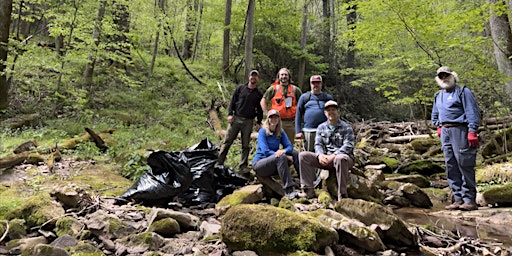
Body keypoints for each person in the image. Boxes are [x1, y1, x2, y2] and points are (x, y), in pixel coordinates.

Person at [431, 66, 480, 211]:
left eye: (446, 75)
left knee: (464, 162)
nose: (444, 78)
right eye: (441, 76)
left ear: (453, 76)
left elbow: (472, 111)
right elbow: (435, 114)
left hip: (460, 129)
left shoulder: (463, 91)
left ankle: (469, 199)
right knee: (450, 164)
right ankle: (458, 198)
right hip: (445, 131)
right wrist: (438, 126)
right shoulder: (438, 95)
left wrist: (472, 130)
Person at [298, 100, 355, 201]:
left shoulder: (346, 127)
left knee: (340, 158)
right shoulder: (321, 127)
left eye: (333, 110)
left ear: (338, 112)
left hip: (343, 159)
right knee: (303, 156)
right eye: (328, 110)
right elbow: (318, 144)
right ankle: (308, 190)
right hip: (326, 159)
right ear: (325, 113)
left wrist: (333, 156)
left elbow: (348, 145)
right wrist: (320, 155)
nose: (331, 112)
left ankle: (342, 195)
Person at [217, 70, 263, 173]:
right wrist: (229, 114)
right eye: (252, 76)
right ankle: (219, 162)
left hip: (249, 121)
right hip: (236, 118)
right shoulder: (240, 88)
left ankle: (243, 166)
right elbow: (233, 101)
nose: (253, 78)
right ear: (248, 77)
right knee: (227, 141)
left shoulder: (258, 93)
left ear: (258, 79)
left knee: (245, 144)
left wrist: (259, 122)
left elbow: (259, 109)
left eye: (255, 76)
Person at [252, 109, 300, 199]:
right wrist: (282, 155)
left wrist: (284, 151)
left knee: (295, 153)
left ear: (278, 119)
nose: (273, 119)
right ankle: (289, 190)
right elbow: (265, 151)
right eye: (271, 117)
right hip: (260, 163)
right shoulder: (263, 132)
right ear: (268, 119)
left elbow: (289, 146)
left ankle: (304, 183)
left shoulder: (280, 131)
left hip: (273, 163)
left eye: (276, 117)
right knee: (281, 157)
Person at [260, 68, 302, 145]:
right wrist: (267, 114)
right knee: (272, 143)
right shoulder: (273, 89)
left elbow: (302, 105)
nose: (284, 76)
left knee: (289, 145)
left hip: (290, 122)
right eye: (282, 75)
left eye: (286, 75)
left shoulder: (295, 90)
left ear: (289, 77)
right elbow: (263, 101)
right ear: (278, 77)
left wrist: (299, 118)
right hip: (275, 122)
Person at [295, 75, 334, 152]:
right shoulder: (304, 97)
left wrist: (333, 128)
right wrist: (298, 131)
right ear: (310, 84)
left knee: (324, 152)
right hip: (308, 131)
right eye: (314, 83)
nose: (316, 85)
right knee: (309, 153)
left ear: (321, 84)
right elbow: (298, 114)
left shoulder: (327, 97)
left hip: (324, 131)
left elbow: (333, 114)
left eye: (318, 83)